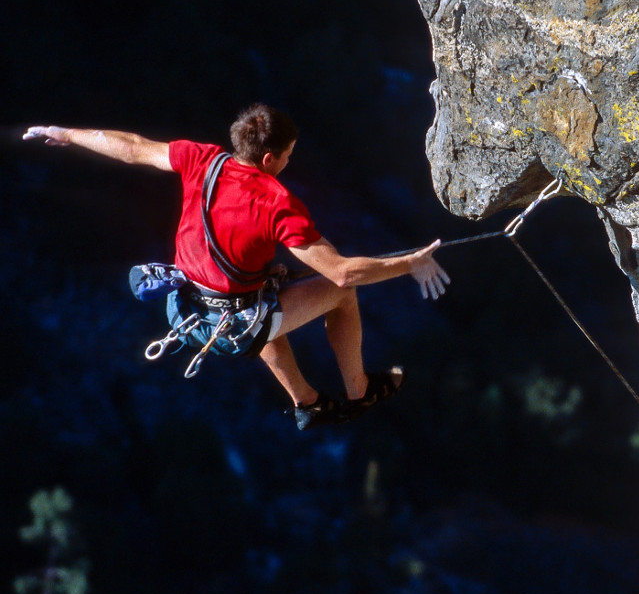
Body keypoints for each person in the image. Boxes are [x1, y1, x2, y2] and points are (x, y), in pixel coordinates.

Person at [23, 104, 450, 429]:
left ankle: (308, 404)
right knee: (341, 295)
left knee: (267, 291)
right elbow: (341, 272)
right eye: (287, 155)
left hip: (183, 308)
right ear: (268, 159)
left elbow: (132, 148)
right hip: (231, 326)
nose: (289, 163)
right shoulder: (277, 203)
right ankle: (359, 393)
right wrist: (409, 264)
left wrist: (67, 134)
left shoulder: (202, 159)